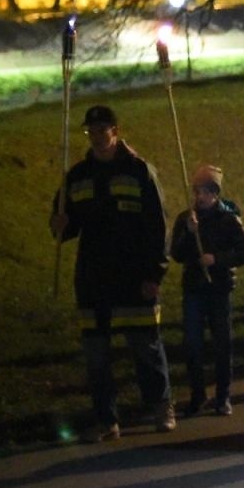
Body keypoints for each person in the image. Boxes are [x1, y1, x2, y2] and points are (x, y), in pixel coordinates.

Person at [51, 104, 175, 442]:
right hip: (93, 278)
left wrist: (155, 273)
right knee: (96, 356)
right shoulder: (77, 176)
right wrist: (59, 224)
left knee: (145, 347)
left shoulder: (139, 172)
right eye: (90, 132)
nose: (96, 137)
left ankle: (161, 406)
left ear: (115, 131)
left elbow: (158, 227)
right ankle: (107, 420)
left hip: (135, 276)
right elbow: (65, 224)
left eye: (102, 130)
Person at [169, 163, 244, 416]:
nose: (200, 197)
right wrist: (188, 233)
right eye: (197, 191)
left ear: (215, 193)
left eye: (206, 191)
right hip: (194, 288)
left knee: (221, 343)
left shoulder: (228, 219)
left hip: (219, 288)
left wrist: (217, 259)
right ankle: (197, 395)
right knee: (193, 343)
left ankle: (223, 396)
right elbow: (177, 253)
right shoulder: (186, 219)